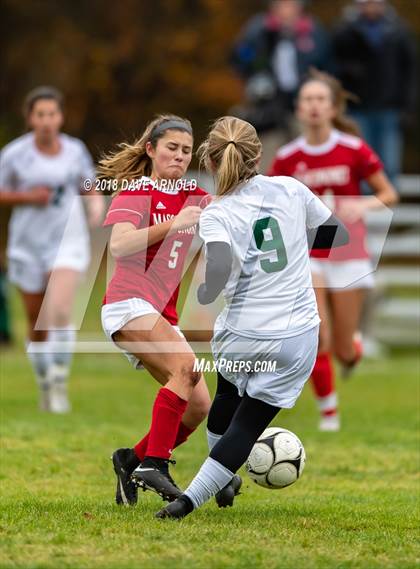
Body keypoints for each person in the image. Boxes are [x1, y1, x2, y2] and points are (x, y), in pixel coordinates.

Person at [155, 116, 349, 520]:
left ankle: (218, 480)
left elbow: (221, 264)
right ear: (259, 155)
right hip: (296, 335)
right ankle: (191, 499)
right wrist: (294, 242)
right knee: (249, 423)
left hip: (242, 332)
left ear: (210, 161)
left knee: (227, 396)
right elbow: (337, 234)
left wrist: (208, 291)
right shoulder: (290, 189)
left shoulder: (217, 211)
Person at [268, 70, 398, 431]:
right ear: (298, 108)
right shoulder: (288, 157)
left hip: (350, 254)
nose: (313, 106)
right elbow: (272, 204)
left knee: (344, 350)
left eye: (319, 100)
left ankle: (352, 345)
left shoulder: (353, 149)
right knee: (318, 335)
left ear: (333, 107)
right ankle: (329, 413)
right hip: (309, 255)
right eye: (306, 100)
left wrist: (363, 206)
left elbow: (388, 194)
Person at [99, 115, 214, 506]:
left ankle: (129, 461)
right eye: (171, 148)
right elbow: (119, 246)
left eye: (186, 150)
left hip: (161, 314)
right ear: (151, 149)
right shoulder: (137, 192)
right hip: (128, 304)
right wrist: (173, 225)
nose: (179, 156)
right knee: (185, 369)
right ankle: (155, 464)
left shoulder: (195, 195)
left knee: (198, 407)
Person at [0, 86, 104, 412]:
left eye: (52, 114)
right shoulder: (15, 154)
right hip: (27, 244)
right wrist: (29, 197)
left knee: (57, 311)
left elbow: (89, 184)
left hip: (67, 242)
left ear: (60, 117)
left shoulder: (75, 151)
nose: (46, 121)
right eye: (40, 115)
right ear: (30, 118)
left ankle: (60, 380)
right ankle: (45, 381)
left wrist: (95, 206)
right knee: (36, 321)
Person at [230, 0, 330, 172]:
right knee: (268, 153)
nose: (286, 9)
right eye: (282, 4)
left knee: (308, 152)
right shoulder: (258, 28)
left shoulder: (312, 31)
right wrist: (256, 73)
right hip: (268, 104)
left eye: (291, 4)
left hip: (302, 101)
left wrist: (314, 84)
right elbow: (239, 56)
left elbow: (326, 63)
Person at [332, 0, 417, 185]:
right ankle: (365, 209)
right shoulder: (344, 30)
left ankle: (389, 208)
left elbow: (409, 69)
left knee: (389, 163)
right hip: (358, 106)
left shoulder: (399, 30)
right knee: (361, 161)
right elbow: (334, 64)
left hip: (389, 105)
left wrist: (408, 105)